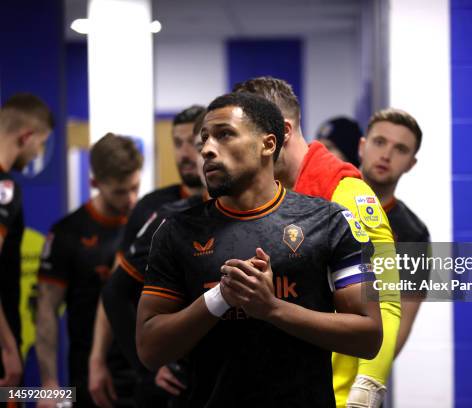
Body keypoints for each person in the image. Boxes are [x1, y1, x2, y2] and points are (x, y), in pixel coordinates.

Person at [136, 92, 382, 407]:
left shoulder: (328, 221)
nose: (207, 149)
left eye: (224, 135)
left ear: (268, 144)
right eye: (205, 139)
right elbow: (149, 349)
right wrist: (219, 298)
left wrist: (272, 308)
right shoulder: (176, 232)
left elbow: (369, 336)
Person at [232, 77, 400, 408]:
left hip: (334, 394)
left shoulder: (347, 196)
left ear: (281, 131)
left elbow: (387, 299)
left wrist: (369, 386)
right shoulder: (266, 197)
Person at [100, 106, 207, 407]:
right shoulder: (162, 212)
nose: (190, 154)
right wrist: (144, 364)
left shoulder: (245, 212)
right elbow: (114, 289)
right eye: (180, 143)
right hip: (176, 382)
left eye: (195, 143)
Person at [36, 133, 143, 408]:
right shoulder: (67, 233)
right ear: (94, 183)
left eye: (135, 187)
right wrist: (49, 383)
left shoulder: (146, 224)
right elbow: (46, 310)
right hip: (89, 378)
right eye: (120, 192)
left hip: (143, 372)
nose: (131, 199)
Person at [358, 108, 430, 355]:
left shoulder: (414, 234)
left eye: (400, 149)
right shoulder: (323, 200)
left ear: (411, 163)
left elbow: (402, 320)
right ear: (362, 146)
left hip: (364, 364)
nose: (386, 155)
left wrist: (369, 379)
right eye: (379, 142)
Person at [0, 93, 53, 393]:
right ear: (27, 136)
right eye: (41, 144)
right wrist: (8, 348)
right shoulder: (4, 187)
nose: (37, 153)